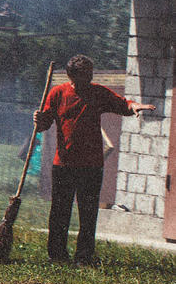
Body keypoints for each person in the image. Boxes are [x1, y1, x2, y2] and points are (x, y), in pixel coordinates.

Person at [34, 55, 154, 265]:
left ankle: (84, 257)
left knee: (88, 215)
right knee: (59, 213)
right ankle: (57, 256)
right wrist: (38, 119)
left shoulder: (97, 93)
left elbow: (121, 104)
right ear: (72, 76)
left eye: (90, 74)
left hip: (91, 166)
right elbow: (44, 124)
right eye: (84, 76)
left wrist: (134, 106)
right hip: (63, 164)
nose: (88, 79)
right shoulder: (58, 93)